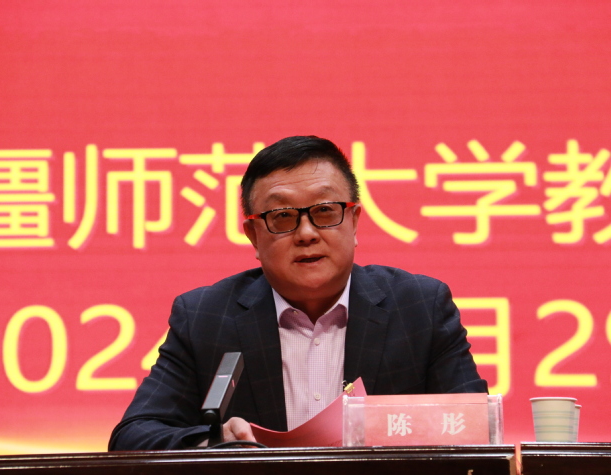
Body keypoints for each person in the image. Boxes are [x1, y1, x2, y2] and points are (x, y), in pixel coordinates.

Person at [108, 135, 487, 450]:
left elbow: (477, 431)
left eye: (325, 211)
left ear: (354, 220)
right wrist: (215, 442)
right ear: (253, 235)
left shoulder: (419, 307)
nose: (306, 233)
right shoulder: (206, 317)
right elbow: (133, 437)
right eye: (282, 217)